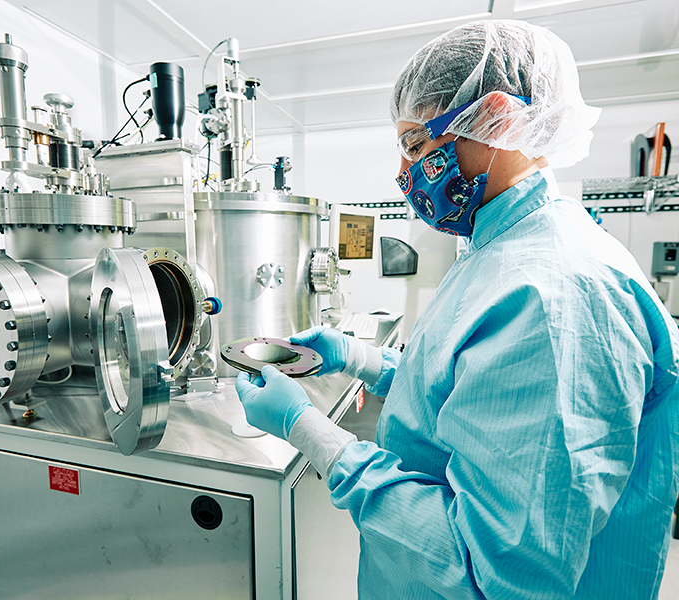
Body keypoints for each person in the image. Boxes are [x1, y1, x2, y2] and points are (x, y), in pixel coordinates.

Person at [235, 19, 679, 600]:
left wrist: (311, 432)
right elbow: (469, 397)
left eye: (416, 145)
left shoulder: (552, 296)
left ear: (494, 118)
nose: (402, 173)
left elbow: (494, 576)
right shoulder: (502, 246)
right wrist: (360, 358)